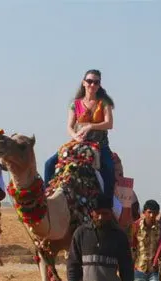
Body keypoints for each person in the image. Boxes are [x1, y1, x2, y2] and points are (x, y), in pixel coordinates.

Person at [44, 69, 117, 199]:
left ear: (99, 85)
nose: (92, 85)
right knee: (49, 164)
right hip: (78, 143)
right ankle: (46, 197)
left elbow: (109, 124)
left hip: (99, 145)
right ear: (84, 83)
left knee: (109, 169)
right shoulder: (75, 104)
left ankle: (106, 205)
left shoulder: (104, 103)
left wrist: (90, 126)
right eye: (89, 81)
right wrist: (75, 136)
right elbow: (70, 126)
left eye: (96, 82)